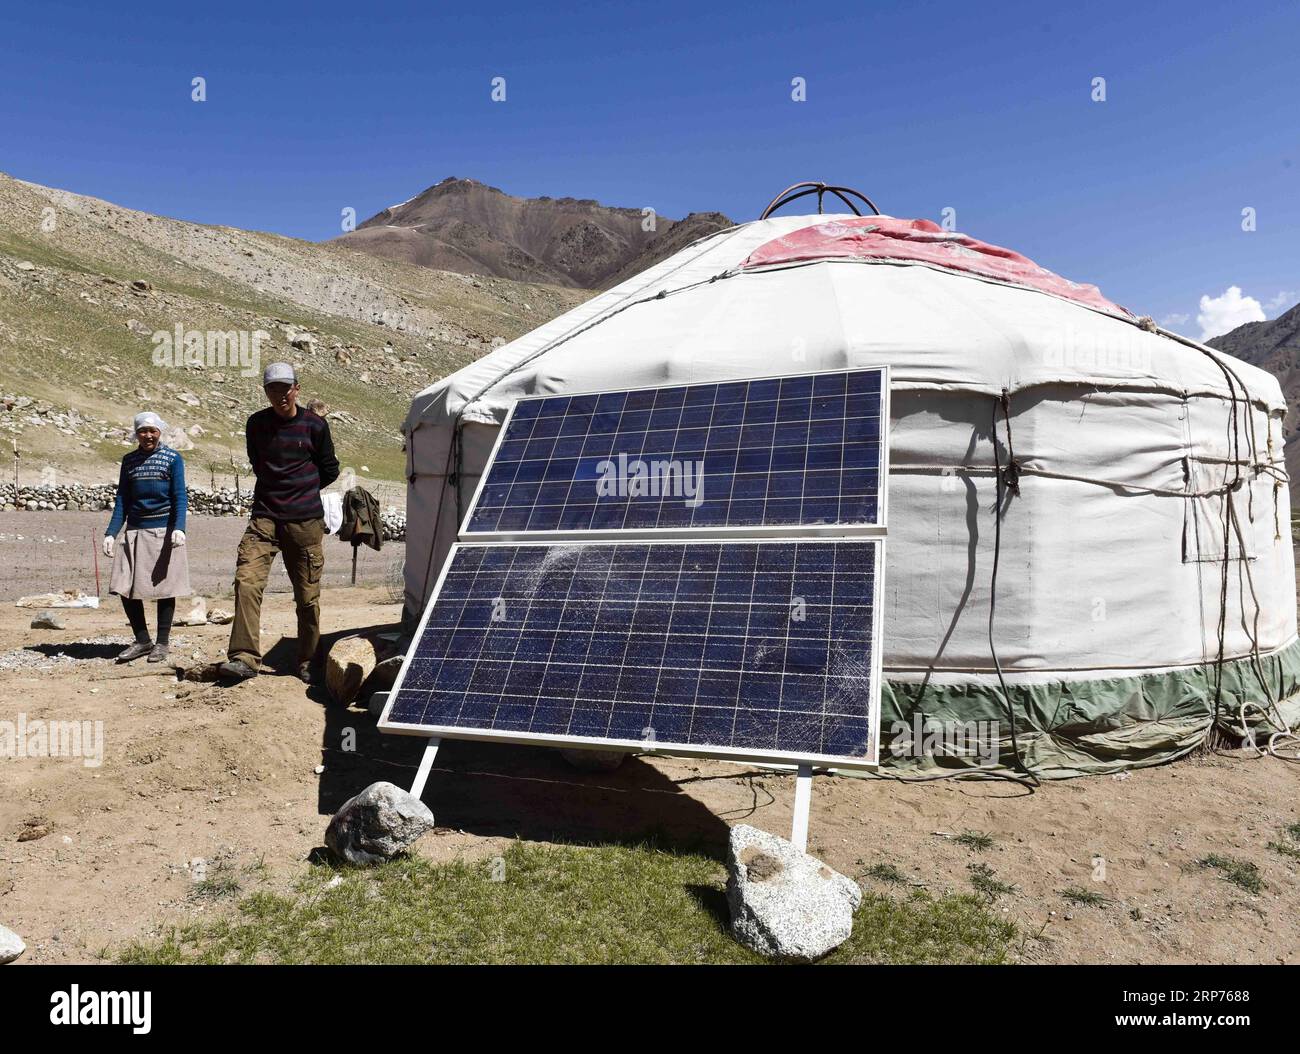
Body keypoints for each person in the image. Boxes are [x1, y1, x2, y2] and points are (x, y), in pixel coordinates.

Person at [219, 363, 339, 684]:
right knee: (247, 580)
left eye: (285, 388)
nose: (280, 394)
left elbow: (330, 469)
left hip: (305, 522)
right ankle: (244, 657)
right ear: (265, 392)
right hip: (264, 517)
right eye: (273, 388)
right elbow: (259, 463)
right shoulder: (256, 424)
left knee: (307, 595)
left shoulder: (315, 426)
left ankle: (308, 659)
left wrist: (301, 490)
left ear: (297, 389)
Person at [102, 412, 189, 664]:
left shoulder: (172, 458)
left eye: (152, 430)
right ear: (136, 433)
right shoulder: (129, 461)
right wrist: (111, 532)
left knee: (165, 588)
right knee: (124, 586)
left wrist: (179, 527)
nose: (147, 435)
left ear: (160, 431)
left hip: (164, 531)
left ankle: (162, 643)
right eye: (142, 431)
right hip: (134, 531)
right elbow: (122, 500)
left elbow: (179, 496)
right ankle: (142, 641)